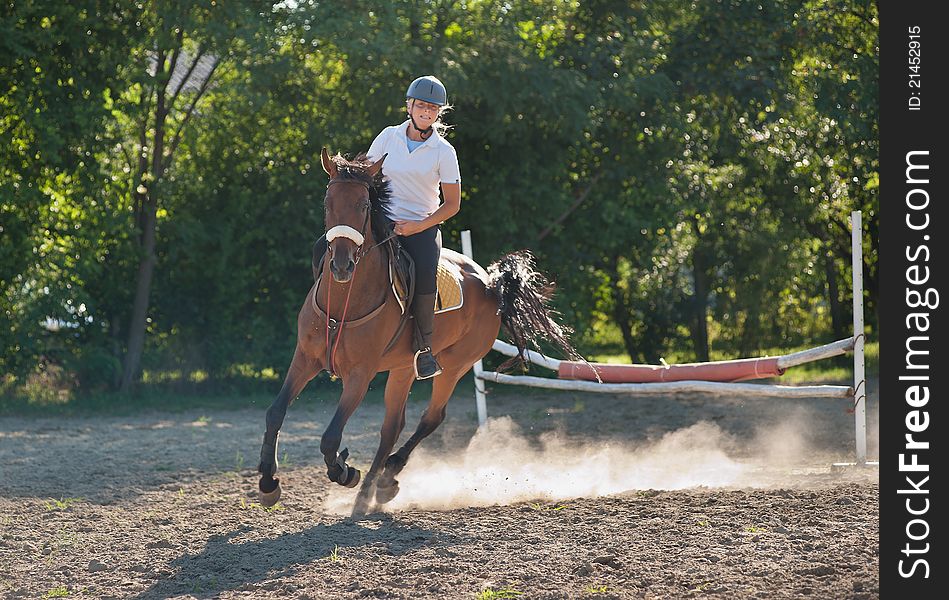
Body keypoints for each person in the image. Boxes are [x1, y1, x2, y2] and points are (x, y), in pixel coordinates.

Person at [314, 75, 461, 380]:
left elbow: (452, 205)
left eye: (432, 108)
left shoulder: (444, 152)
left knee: (423, 274)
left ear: (438, 113)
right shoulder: (388, 136)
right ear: (409, 106)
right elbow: (364, 179)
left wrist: (417, 225)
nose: (426, 112)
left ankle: (423, 349)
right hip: (381, 221)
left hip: (421, 226)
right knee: (322, 249)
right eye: (421, 105)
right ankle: (322, 325)